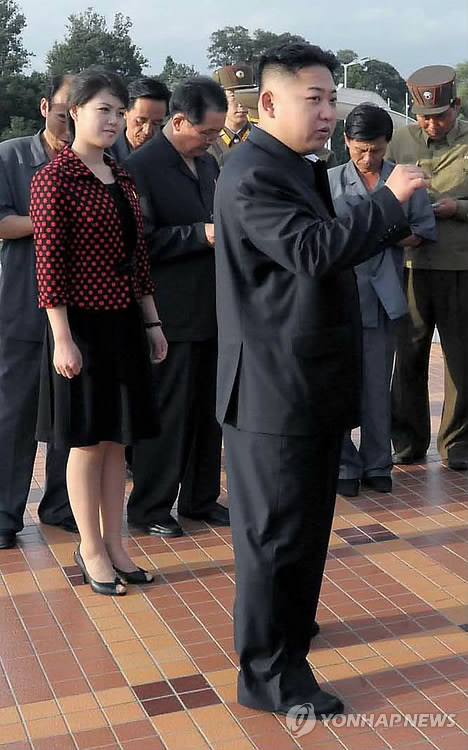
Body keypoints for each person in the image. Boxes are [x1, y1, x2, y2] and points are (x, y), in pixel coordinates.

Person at [214, 42, 429, 717]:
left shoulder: (292, 166)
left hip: (303, 382)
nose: (330, 112)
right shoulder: (254, 174)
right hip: (274, 389)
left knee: (302, 530)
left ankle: (285, 637)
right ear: (268, 103)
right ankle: (270, 675)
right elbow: (312, 252)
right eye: (316, 99)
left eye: (332, 98)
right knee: (277, 536)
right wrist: (389, 203)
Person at [30, 68, 167, 596]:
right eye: (102, 110)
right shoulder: (54, 178)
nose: (113, 120)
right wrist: (62, 337)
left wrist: (152, 320)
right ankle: (90, 547)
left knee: (117, 440)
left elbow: (138, 260)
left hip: (125, 322)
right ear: (75, 114)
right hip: (80, 326)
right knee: (87, 442)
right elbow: (50, 265)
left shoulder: (121, 174)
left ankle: (118, 544)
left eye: (118, 110)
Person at [124, 77, 229, 538]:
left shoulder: (207, 165)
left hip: (213, 309)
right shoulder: (142, 168)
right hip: (168, 313)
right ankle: (150, 506)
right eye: (206, 133)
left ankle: (201, 498)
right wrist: (199, 235)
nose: (212, 141)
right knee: (168, 414)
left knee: (210, 411)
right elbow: (137, 242)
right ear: (180, 121)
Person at [329, 104, 436, 497]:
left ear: (387, 144)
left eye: (375, 149)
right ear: (345, 143)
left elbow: (423, 231)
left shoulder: (403, 180)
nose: (367, 158)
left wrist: (388, 232)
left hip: (383, 293)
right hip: (340, 295)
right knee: (340, 383)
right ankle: (343, 463)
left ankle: (377, 462)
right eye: (360, 149)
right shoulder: (329, 181)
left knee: (377, 384)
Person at [0, 75, 76, 550]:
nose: (70, 119)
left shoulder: (99, 161)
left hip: (79, 309)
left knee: (69, 417)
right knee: (15, 415)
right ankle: (5, 514)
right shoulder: (11, 156)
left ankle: (62, 506)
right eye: (65, 109)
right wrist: (51, 220)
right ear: (46, 106)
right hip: (23, 308)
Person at [388, 65, 468, 470]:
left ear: (456, 105)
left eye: (440, 116)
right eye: (423, 116)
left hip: (459, 266)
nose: (431, 124)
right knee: (409, 355)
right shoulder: (399, 140)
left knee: (460, 358)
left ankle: (457, 444)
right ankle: (406, 441)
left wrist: (459, 208)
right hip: (410, 264)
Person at [110, 77, 171, 163]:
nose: (147, 131)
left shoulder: (169, 156)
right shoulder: (105, 153)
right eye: (140, 121)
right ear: (125, 112)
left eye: (156, 123)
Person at [209, 64, 254, 166]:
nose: (241, 103)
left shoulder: (261, 138)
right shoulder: (209, 143)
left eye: (246, 95)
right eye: (233, 96)